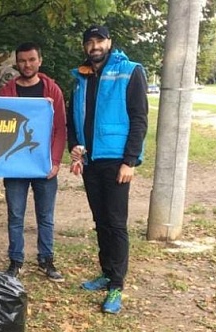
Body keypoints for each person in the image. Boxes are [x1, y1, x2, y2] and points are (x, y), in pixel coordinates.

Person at [67, 25, 148, 314]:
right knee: (100, 220)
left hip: (116, 161)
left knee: (115, 223)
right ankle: (106, 271)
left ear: (109, 42)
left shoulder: (130, 71)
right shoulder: (81, 77)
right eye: (89, 42)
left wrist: (130, 160)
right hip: (90, 161)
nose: (94, 46)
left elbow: (139, 118)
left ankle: (116, 285)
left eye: (99, 40)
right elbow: (73, 120)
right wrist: (74, 149)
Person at [0, 42, 67, 281]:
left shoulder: (52, 90)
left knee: (45, 216)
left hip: (43, 165)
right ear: (17, 62)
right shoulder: (7, 91)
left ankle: (46, 259)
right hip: (16, 165)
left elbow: (60, 129)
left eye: (31, 60)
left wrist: (55, 161)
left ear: (40, 60)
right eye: (22, 60)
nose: (27, 64)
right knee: (15, 215)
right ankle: (16, 260)